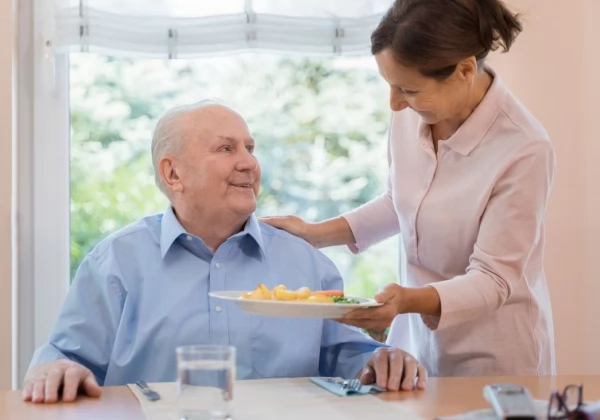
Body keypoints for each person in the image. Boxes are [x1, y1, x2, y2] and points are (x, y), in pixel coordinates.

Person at [22, 101, 427, 404]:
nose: (249, 163)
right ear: (173, 173)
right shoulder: (115, 263)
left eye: (250, 148)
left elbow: (346, 354)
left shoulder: (306, 261)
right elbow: (66, 356)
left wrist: (381, 359)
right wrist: (55, 367)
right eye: (226, 149)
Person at [261, 0, 556, 377]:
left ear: (465, 69)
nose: (395, 103)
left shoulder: (524, 148)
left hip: (495, 355)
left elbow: (494, 279)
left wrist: (405, 301)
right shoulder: (416, 111)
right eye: (390, 85)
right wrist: (315, 234)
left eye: (408, 90)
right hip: (418, 341)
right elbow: (400, 202)